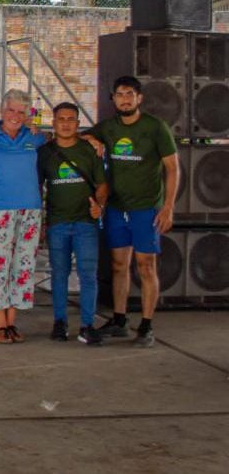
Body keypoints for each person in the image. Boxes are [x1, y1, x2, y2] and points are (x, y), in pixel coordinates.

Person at [84, 76, 178, 348]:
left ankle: (146, 326)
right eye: (119, 94)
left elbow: (173, 168)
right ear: (112, 98)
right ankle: (120, 319)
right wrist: (92, 140)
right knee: (118, 266)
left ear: (139, 98)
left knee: (146, 266)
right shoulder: (109, 127)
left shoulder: (155, 128)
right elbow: (81, 137)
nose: (124, 99)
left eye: (130, 94)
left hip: (146, 209)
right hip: (116, 208)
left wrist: (168, 207)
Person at [0, 89, 47, 344]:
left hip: (30, 210)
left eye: (21, 112)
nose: (15, 116)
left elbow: (59, 140)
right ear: (1, 111)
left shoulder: (35, 138)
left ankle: (12, 321)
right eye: (11, 110)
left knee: (23, 266)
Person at [39, 102, 109, 346]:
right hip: (57, 223)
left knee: (88, 275)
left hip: (85, 224)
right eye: (61, 119)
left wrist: (98, 205)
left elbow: (102, 185)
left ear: (78, 124)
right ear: (54, 123)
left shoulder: (89, 150)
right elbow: (37, 186)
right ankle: (60, 323)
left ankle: (87, 325)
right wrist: (39, 220)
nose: (66, 123)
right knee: (59, 275)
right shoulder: (45, 153)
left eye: (71, 119)